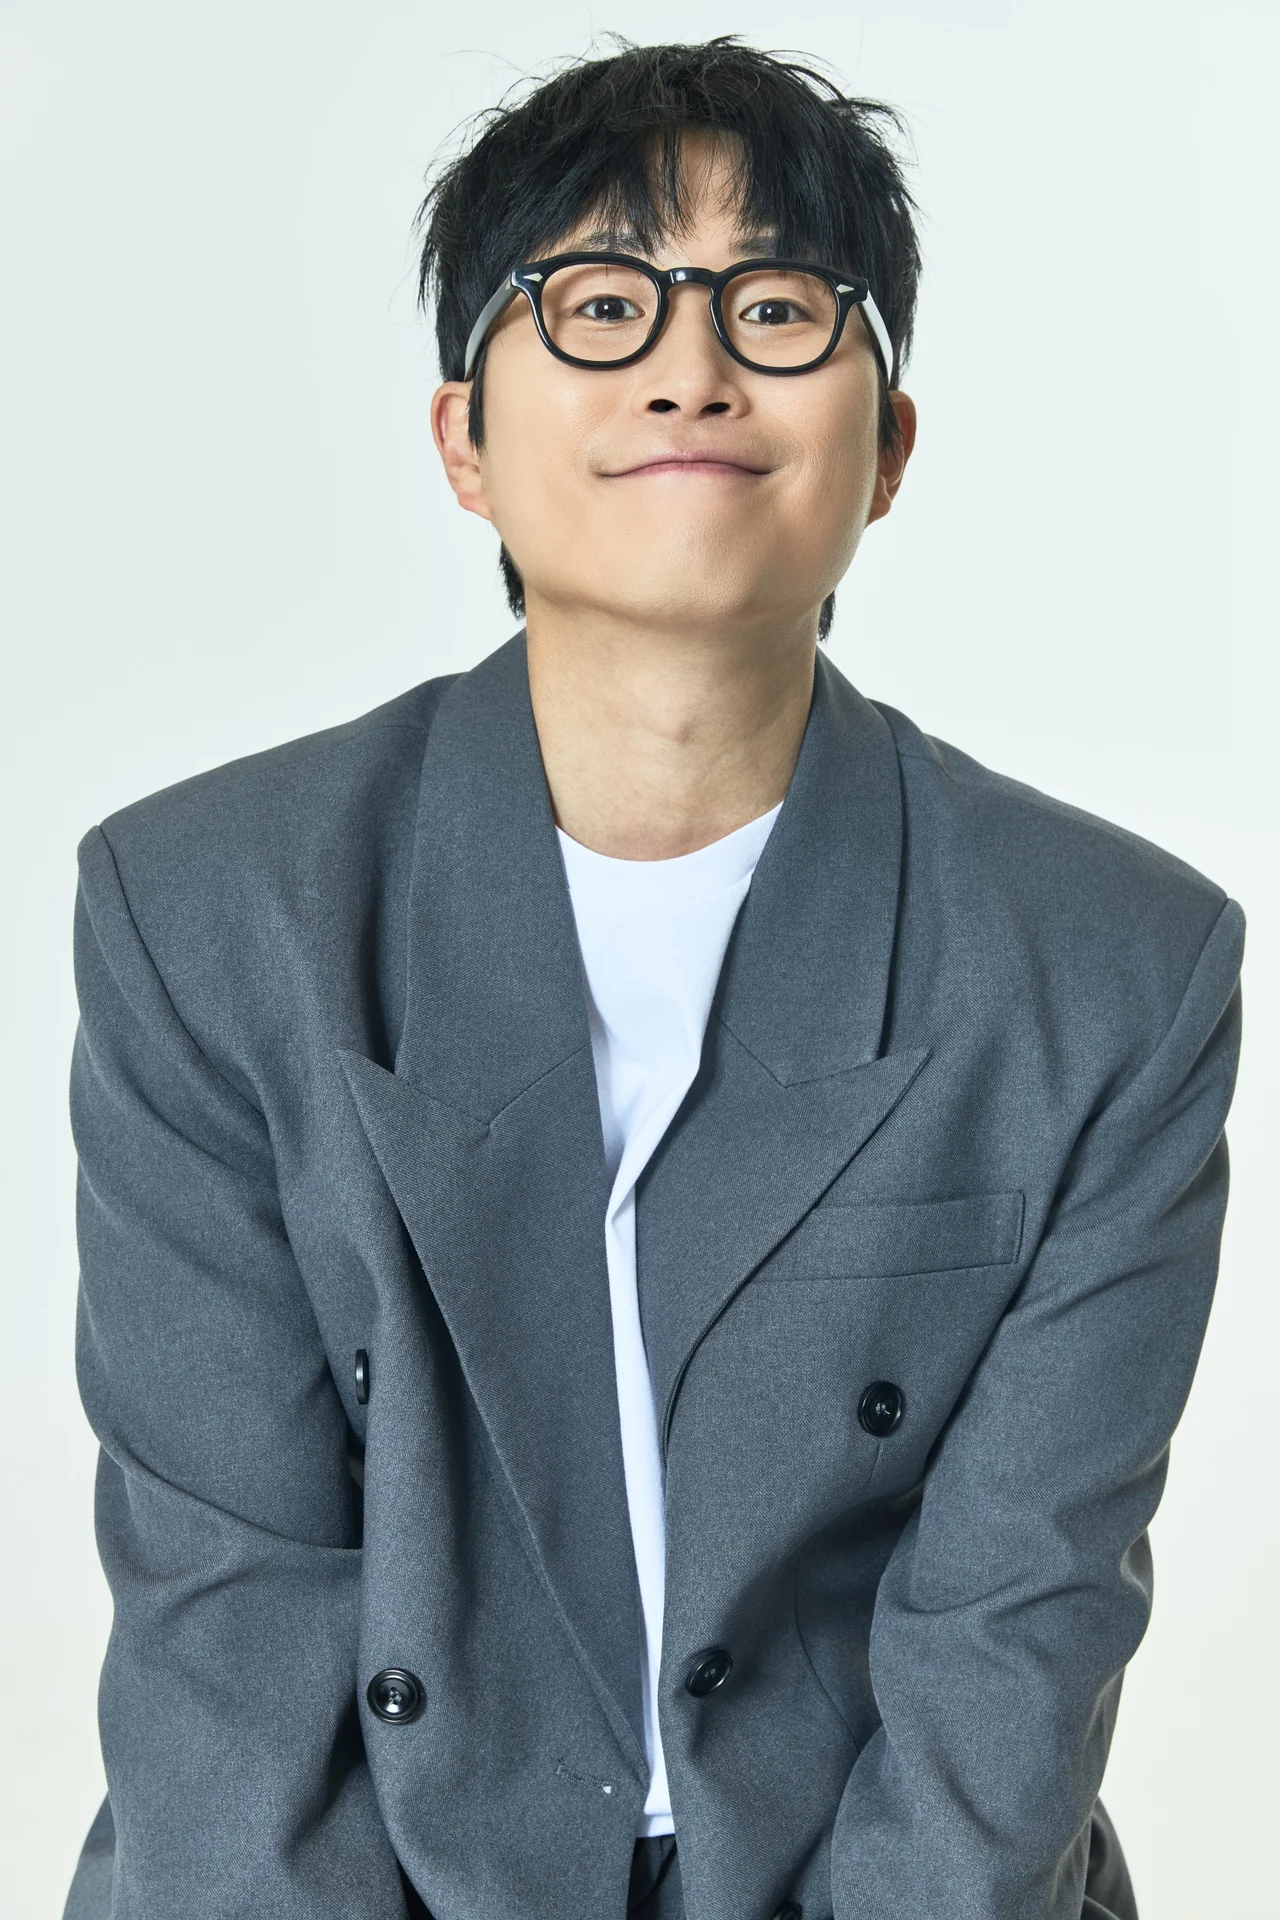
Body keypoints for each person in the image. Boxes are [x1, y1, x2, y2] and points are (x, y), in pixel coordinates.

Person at [63, 37, 1242, 1920]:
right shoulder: (208, 915)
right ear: (463, 439)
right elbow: (233, 1624)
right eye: (601, 305)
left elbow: (1010, 1648)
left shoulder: (1113, 966)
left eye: (775, 309)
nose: (691, 369)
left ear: (890, 446)